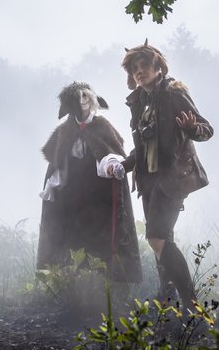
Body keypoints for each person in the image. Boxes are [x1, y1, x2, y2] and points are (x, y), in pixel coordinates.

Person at [110, 43, 213, 313]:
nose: (139, 71)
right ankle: (167, 302)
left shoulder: (174, 92)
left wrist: (192, 128)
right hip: (149, 182)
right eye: (134, 68)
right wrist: (123, 165)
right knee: (163, 240)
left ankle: (192, 307)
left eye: (144, 65)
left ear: (158, 67)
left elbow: (206, 129)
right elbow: (142, 146)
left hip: (173, 179)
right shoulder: (138, 101)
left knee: (156, 238)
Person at [37, 81, 142, 283]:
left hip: (99, 195)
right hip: (72, 194)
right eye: (77, 98)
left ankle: (105, 283)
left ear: (93, 99)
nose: (82, 101)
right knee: (72, 238)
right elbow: (58, 162)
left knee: (100, 239)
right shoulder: (64, 130)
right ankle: (71, 282)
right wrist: (53, 185)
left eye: (85, 96)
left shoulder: (102, 126)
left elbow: (110, 152)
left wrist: (112, 165)